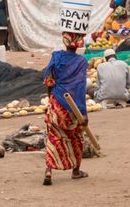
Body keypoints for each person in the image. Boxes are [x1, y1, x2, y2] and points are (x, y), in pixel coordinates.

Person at [42, 32, 89, 186]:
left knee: (53, 137)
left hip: (56, 103)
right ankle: (76, 171)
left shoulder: (56, 56)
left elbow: (49, 81)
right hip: (72, 107)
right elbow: (81, 88)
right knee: (77, 137)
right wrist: (83, 113)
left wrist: (50, 100)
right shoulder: (81, 61)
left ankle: (48, 171)